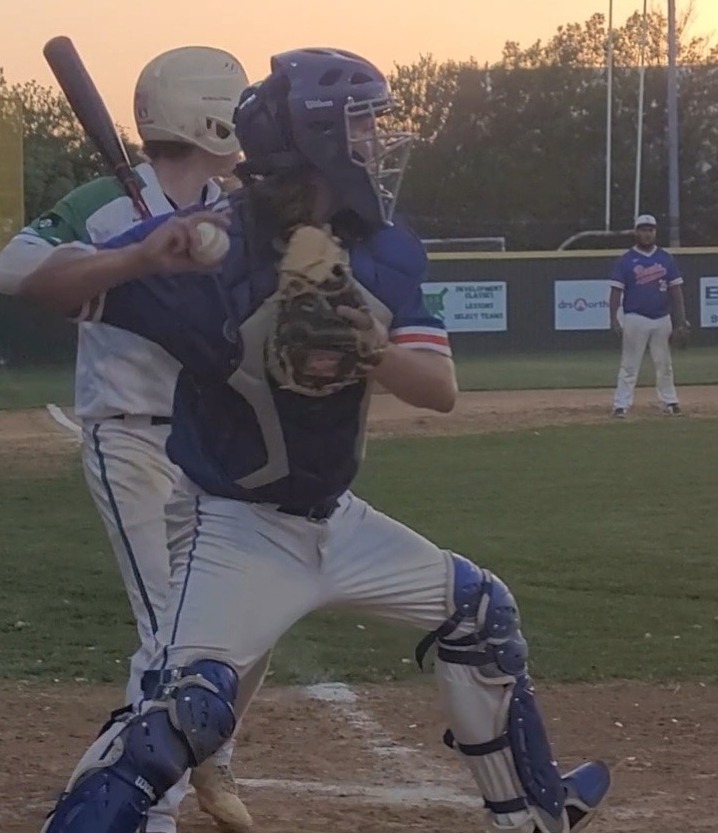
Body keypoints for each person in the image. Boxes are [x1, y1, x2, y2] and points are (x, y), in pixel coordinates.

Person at [22, 47, 611, 833]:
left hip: (338, 519)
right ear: (318, 138)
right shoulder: (213, 249)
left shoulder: (381, 247)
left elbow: (438, 389)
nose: (377, 140)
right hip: (235, 528)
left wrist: (369, 344)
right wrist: (135, 256)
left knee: (480, 612)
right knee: (185, 713)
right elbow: (40, 284)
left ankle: (534, 814)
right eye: (362, 123)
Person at [0, 46, 262, 833]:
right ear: (208, 119)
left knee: (245, 616)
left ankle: (209, 751)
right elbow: (14, 267)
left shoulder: (234, 207)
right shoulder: (107, 204)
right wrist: (138, 252)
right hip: (130, 440)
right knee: (170, 633)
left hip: (210, 447)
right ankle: (143, 806)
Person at [609, 214, 689, 418]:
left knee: (664, 364)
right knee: (629, 364)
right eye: (643, 230)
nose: (647, 234)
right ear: (636, 232)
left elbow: (676, 291)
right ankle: (621, 404)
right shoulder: (626, 260)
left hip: (662, 318)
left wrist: (680, 321)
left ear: (655, 232)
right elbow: (616, 292)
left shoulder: (665, 258)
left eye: (651, 230)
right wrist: (613, 319)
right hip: (635, 317)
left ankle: (670, 401)